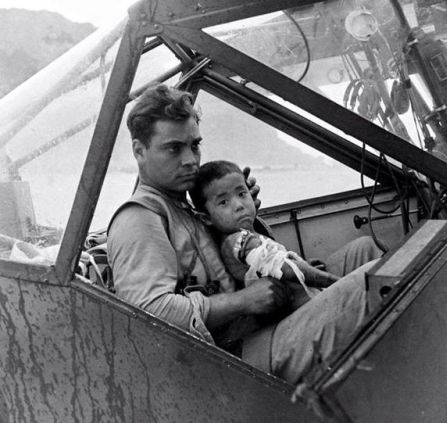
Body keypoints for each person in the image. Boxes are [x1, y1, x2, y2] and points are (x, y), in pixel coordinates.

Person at [107, 84, 382, 384]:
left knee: (364, 251)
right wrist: (243, 301)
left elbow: (231, 259)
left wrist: (244, 220)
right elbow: (149, 313)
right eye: (174, 148)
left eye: (195, 146)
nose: (191, 160)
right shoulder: (139, 219)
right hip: (238, 359)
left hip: (255, 323)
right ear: (139, 151)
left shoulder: (181, 203)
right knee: (372, 283)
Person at [189, 160, 339, 311]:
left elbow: (283, 262)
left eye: (242, 194)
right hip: (304, 308)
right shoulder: (236, 241)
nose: (239, 205)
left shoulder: (247, 233)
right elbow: (286, 269)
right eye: (224, 202)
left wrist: (303, 263)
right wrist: (336, 282)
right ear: (206, 218)